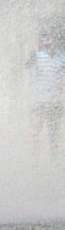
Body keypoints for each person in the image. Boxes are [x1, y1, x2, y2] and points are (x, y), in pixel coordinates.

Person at [28, 28, 65, 156]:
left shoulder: (62, 58)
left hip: (56, 102)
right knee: (36, 131)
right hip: (40, 101)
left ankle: (53, 158)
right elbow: (30, 73)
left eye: (53, 39)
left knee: (54, 133)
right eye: (48, 39)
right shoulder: (38, 57)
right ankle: (34, 157)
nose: (50, 42)